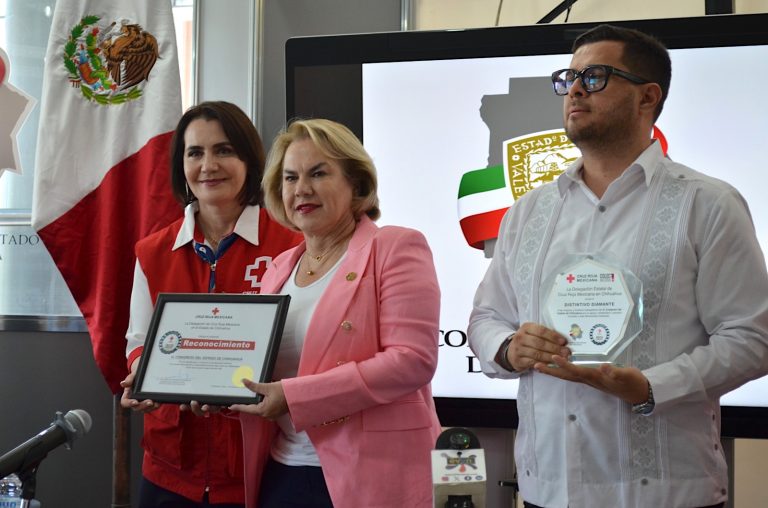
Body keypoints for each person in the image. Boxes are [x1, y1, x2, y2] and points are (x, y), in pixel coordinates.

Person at [468, 24, 768, 508]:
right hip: (549, 488)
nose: (576, 89)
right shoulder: (529, 210)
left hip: (667, 494)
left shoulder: (707, 203)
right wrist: (509, 349)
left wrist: (650, 386)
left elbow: (752, 339)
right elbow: (486, 318)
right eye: (568, 78)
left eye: (597, 76)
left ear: (648, 97)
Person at [227, 118, 442, 508]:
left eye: (318, 173)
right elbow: (262, 369)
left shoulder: (395, 247)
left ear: (356, 184)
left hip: (372, 476)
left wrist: (295, 398)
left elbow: (412, 361)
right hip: (282, 470)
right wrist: (211, 388)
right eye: (290, 178)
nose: (301, 189)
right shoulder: (277, 269)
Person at [120, 101, 302, 507]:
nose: (208, 165)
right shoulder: (153, 250)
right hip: (171, 466)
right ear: (180, 164)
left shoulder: (291, 243)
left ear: (249, 158)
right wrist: (142, 375)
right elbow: (139, 340)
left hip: (259, 461)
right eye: (195, 153)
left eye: (224, 150)